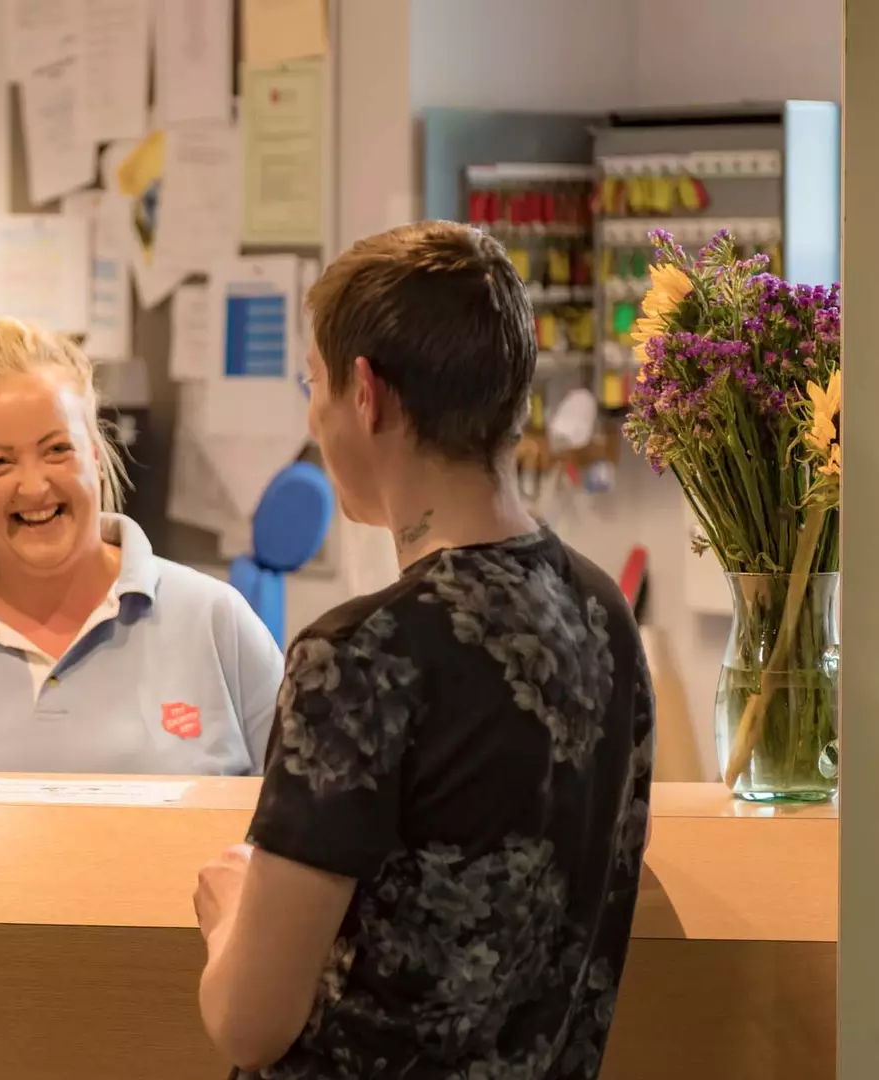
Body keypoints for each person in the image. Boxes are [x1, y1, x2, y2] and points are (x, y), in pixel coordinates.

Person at [193, 222, 654, 1078]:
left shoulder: (360, 656)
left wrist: (227, 916)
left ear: (366, 395)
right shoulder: (604, 613)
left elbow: (248, 1023)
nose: (314, 414)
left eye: (315, 384)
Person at [0, 315, 285, 775]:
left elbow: (308, 811)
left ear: (95, 455)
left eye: (57, 449)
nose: (35, 486)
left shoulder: (215, 624)